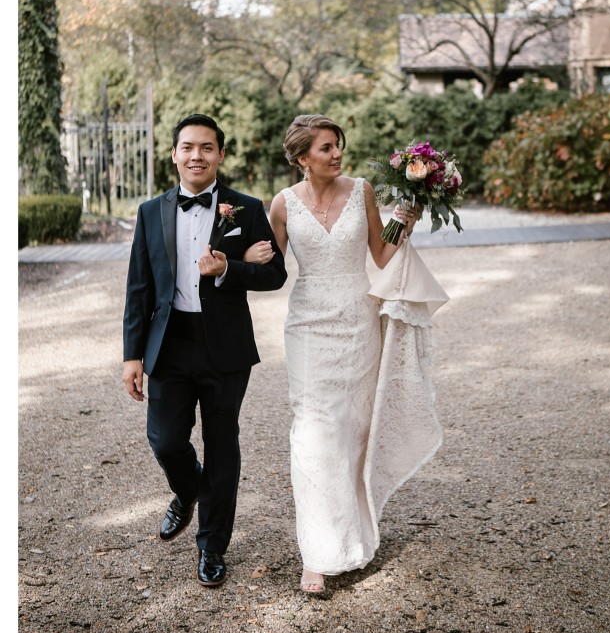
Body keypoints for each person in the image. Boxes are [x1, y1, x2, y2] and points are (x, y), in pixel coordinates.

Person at [245, 114, 430, 597]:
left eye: (338, 146)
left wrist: (402, 225)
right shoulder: (283, 204)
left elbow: (381, 254)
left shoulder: (363, 190)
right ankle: (317, 554)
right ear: (303, 158)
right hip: (307, 327)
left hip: (357, 321)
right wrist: (245, 261)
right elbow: (272, 273)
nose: (336, 154)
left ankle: (353, 537)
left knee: (353, 430)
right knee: (312, 433)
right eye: (326, 148)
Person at [122, 113, 287, 587]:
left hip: (225, 349)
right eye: (188, 147)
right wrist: (132, 355)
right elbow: (139, 286)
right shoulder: (150, 211)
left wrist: (228, 269)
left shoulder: (246, 207)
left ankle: (212, 547)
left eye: (207, 148)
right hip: (169, 346)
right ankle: (189, 490)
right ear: (174, 154)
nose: (197, 156)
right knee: (166, 440)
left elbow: (275, 275)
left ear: (220, 154)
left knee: (222, 446)